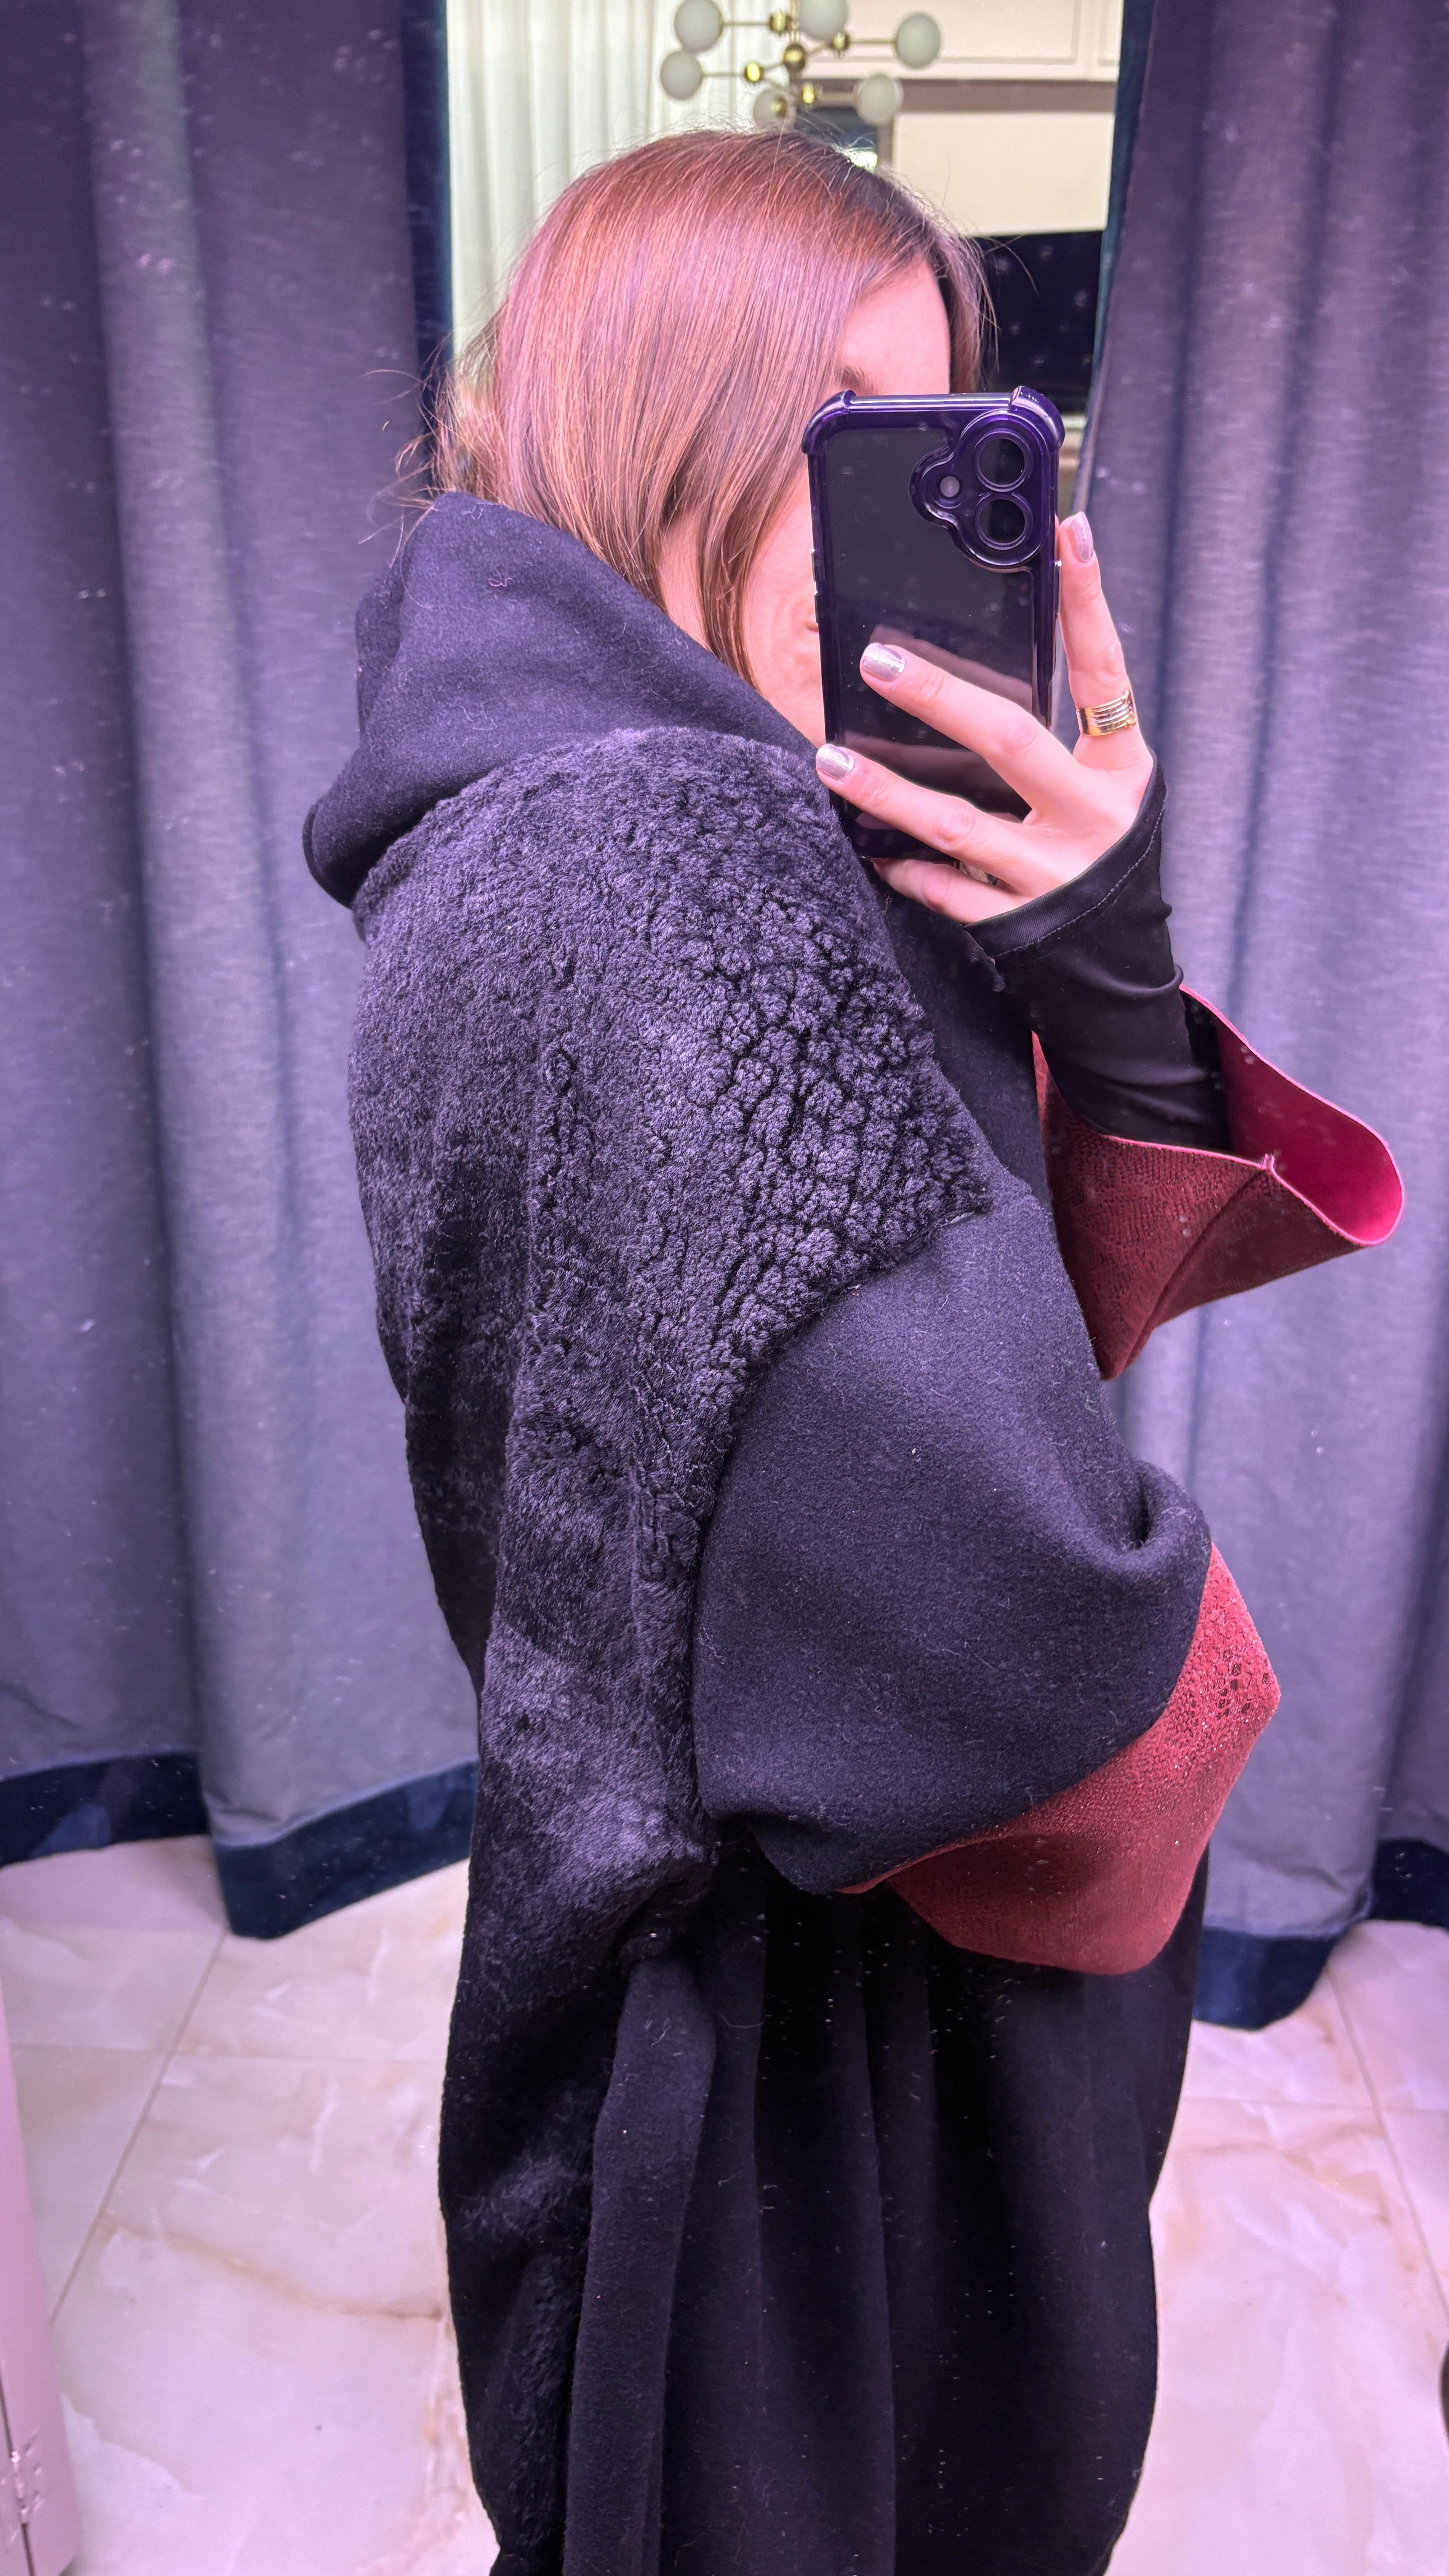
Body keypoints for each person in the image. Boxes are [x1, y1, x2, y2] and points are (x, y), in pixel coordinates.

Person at [306, 130, 1399, 2576]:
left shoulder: (559, 810)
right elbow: (1021, 1654)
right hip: (811, 2045)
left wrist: (1090, 952)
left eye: (947, 439)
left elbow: (1000, 1330)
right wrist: (1199, 1694)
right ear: (666, 422)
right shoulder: (671, 864)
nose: (909, 516)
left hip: (693, 1940)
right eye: (843, 434)